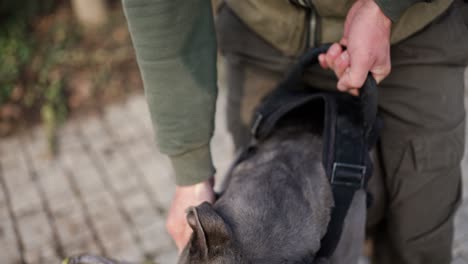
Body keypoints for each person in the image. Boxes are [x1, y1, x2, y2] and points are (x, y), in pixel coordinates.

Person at [122, 0, 468, 263]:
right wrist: (191, 172)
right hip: (263, 35)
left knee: (418, 237)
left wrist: (383, 8)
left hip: (414, 32)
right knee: (257, 236)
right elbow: (162, 9)